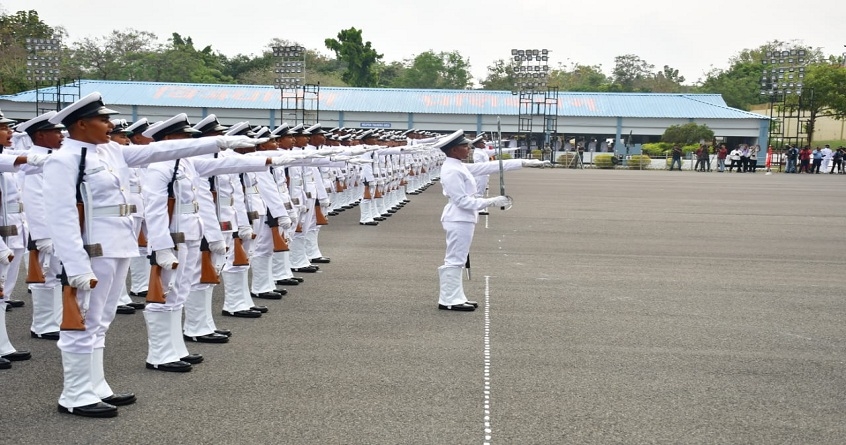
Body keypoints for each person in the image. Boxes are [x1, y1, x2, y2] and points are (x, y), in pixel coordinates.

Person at [43, 92, 252, 417]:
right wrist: (76, 265)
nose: (110, 125)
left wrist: (218, 143)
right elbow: (61, 214)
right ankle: (75, 394)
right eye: (103, 119)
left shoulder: (111, 151)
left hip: (117, 246)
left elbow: (162, 149)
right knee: (80, 322)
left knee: (100, 321)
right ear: (81, 124)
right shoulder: (65, 158)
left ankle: (95, 386)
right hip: (90, 251)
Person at [435, 129, 549, 312]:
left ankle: (455, 296)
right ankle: (449, 299)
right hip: (458, 217)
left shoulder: (458, 166)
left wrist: (524, 162)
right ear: (454, 150)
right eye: (464, 146)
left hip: (463, 218)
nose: (469, 149)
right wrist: (492, 201)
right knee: (455, 259)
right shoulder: (452, 170)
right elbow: (462, 201)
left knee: (459, 258)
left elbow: (491, 167)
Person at [17, 112, 65, 341]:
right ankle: (44, 324)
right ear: (40, 135)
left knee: (55, 276)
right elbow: (34, 200)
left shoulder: (54, 156)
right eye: (56, 131)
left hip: (58, 228)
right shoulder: (34, 160)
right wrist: (43, 236)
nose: (61, 135)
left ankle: (54, 320)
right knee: (45, 276)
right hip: (45, 230)